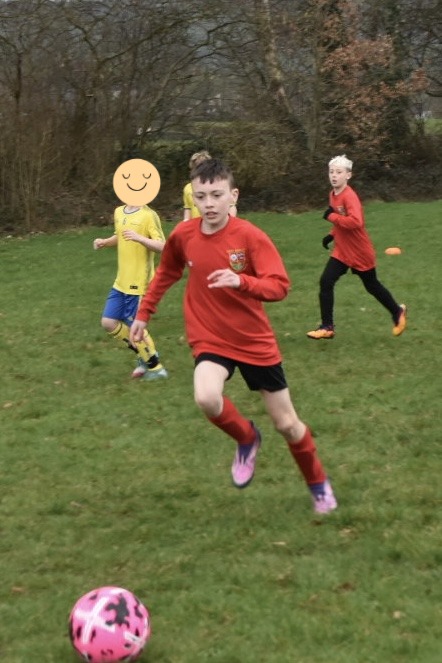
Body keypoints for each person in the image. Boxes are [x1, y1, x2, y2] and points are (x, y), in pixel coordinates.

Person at [131, 158, 337, 514]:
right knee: (206, 397)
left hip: (253, 341)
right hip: (210, 337)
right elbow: (167, 272)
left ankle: (318, 485)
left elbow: (279, 286)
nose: (209, 203)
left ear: (233, 195)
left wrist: (241, 281)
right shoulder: (184, 235)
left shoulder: (250, 237)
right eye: (201, 196)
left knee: (287, 424)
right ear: (192, 197)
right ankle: (247, 437)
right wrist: (144, 313)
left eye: (216, 195)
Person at [307, 155, 407, 340]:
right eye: (331, 172)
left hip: (360, 251)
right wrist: (332, 234)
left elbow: (356, 222)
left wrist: (331, 217)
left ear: (348, 175)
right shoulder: (332, 194)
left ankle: (397, 312)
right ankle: (327, 326)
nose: (334, 175)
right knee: (326, 281)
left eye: (339, 172)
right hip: (342, 251)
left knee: (372, 285)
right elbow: (340, 221)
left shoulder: (349, 196)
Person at [93, 201, 168, 380]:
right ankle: (144, 354)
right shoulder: (119, 211)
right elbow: (120, 236)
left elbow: (163, 246)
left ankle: (156, 368)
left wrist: (140, 238)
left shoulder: (149, 215)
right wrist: (104, 242)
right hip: (121, 282)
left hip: (139, 283)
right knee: (108, 322)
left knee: (136, 327)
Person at [183, 150, 237, 220]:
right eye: (200, 197)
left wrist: (230, 222)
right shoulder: (187, 188)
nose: (208, 204)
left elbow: (231, 206)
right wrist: (186, 220)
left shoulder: (220, 184)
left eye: (216, 195)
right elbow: (188, 207)